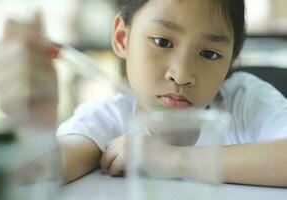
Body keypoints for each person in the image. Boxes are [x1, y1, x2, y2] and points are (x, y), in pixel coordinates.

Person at [56, 0, 287, 186]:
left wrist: (170, 158)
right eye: (162, 41)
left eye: (209, 54)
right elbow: (45, 168)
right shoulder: (108, 118)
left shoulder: (246, 101)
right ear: (122, 38)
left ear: (231, 61)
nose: (182, 75)